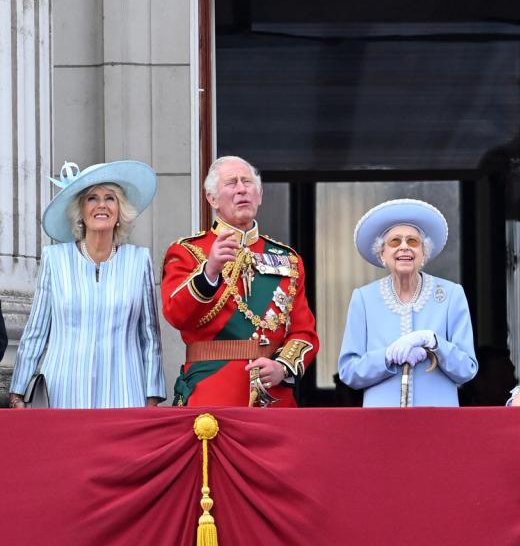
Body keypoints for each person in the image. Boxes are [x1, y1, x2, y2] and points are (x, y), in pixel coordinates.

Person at [161, 156, 319, 407]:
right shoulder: (189, 252)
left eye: (247, 182)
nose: (241, 189)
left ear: (260, 195)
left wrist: (282, 367)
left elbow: (304, 332)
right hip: (211, 392)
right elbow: (176, 315)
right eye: (231, 183)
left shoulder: (288, 259)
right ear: (212, 199)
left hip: (273, 398)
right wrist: (210, 270)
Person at [8, 161, 165, 408]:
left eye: (110, 198)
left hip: (125, 393)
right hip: (64, 393)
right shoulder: (55, 259)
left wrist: (152, 396)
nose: (101, 205)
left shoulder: (138, 261)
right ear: (80, 210)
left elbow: (150, 337)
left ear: (119, 211)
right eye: (92, 198)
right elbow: (36, 331)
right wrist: (18, 392)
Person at [338, 199, 478, 406]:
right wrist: (387, 356)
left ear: (424, 253)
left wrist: (434, 342)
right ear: (382, 254)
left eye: (413, 241)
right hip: (382, 419)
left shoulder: (451, 295)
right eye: (395, 242)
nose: (404, 247)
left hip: (438, 418)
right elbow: (349, 372)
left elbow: (467, 370)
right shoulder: (364, 299)